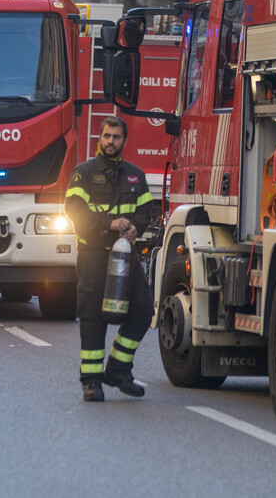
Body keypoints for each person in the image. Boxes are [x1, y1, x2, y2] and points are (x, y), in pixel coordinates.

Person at [64, 117, 159, 402]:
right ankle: (91, 382)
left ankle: (118, 369)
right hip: (93, 252)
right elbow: (75, 211)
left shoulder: (135, 175)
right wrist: (109, 223)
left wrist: (135, 227)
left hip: (125, 255)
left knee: (143, 308)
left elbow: (146, 210)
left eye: (116, 137)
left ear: (124, 141)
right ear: (100, 138)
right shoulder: (83, 173)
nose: (111, 141)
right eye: (107, 136)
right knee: (93, 316)